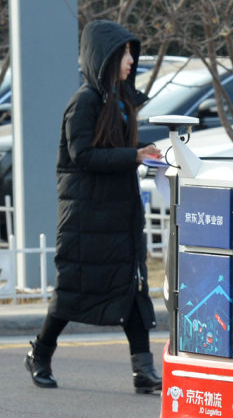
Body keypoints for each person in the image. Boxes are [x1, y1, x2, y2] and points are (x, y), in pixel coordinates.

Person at [24, 20, 163, 393]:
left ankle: (143, 371)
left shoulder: (117, 101)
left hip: (118, 215)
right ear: (105, 57)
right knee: (72, 291)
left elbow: (116, 151)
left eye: (133, 53)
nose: (132, 60)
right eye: (125, 53)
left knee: (132, 289)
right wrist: (133, 156)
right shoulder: (85, 100)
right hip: (86, 216)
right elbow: (82, 154)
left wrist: (145, 154)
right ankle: (40, 354)